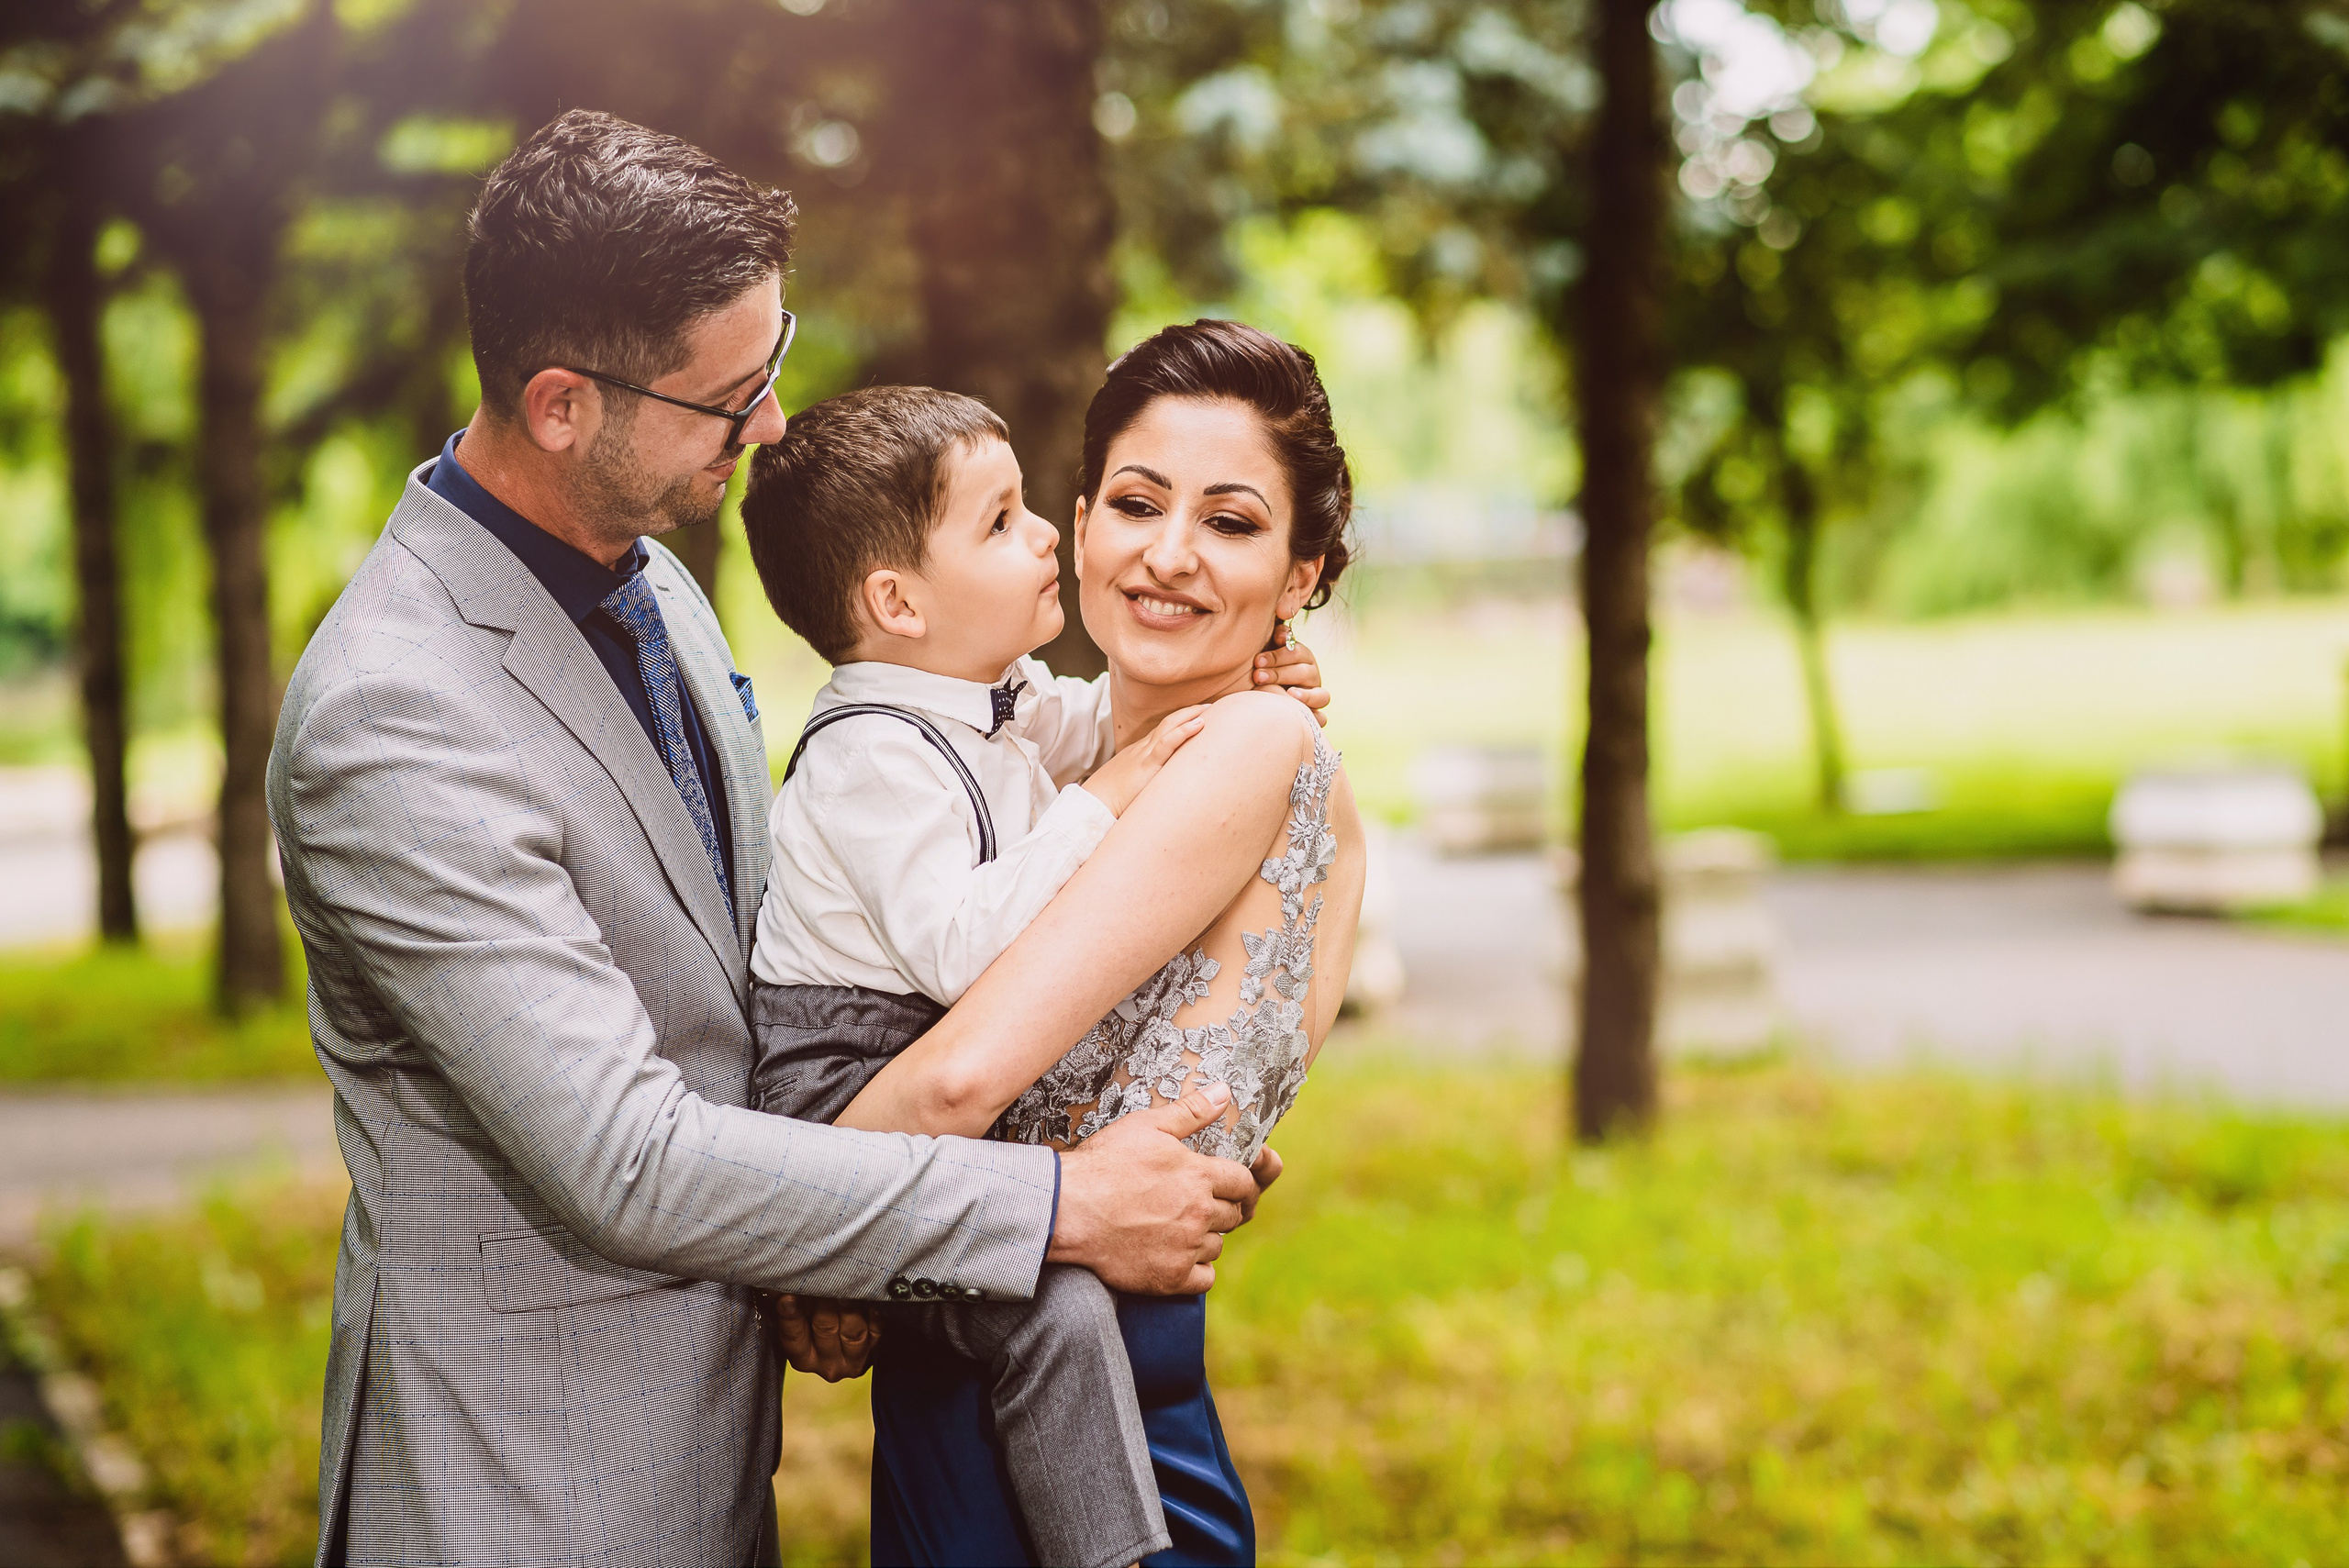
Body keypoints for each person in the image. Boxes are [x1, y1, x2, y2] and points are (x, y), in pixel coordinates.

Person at [264, 111, 1283, 1565]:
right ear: (563, 405)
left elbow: (762, 971)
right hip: (529, 1495)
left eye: (775, 363)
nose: (773, 429)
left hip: (715, 1468)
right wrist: (1061, 1202)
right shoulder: (394, 714)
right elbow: (623, 1157)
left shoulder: (654, 590)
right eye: (728, 397)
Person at [732, 384, 1330, 1568]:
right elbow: (970, 956)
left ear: (1302, 573)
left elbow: (1097, 726)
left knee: (1046, 1311)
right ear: (898, 601)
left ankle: (1110, 1547)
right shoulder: (869, 757)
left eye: (1231, 522)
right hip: (839, 1069)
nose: (1048, 535)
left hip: (1059, 1315)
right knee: (1043, 1305)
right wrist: (820, 1239)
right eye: (1006, 521)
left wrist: (1257, 686)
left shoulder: (996, 710)